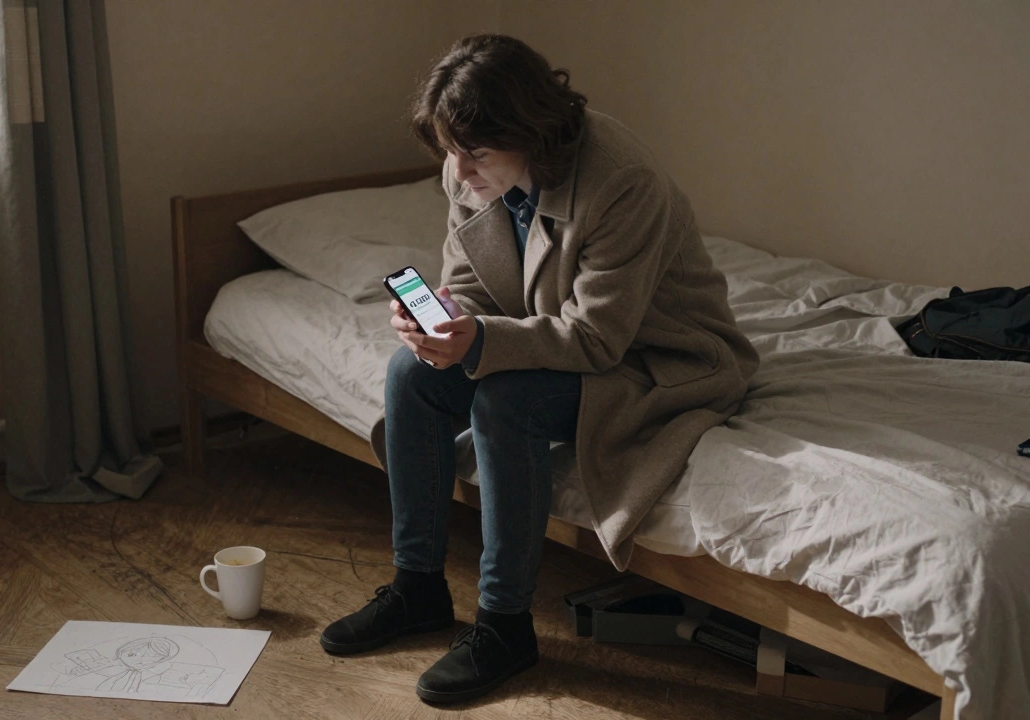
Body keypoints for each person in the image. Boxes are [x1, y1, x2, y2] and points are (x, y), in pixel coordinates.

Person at [320, 34, 759, 704]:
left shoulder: (620, 182)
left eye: (476, 153)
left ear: (530, 131)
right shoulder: (467, 166)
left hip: (655, 355)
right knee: (411, 375)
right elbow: (470, 282)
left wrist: (477, 342)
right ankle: (418, 588)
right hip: (556, 334)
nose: (458, 169)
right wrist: (439, 321)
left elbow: (597, 338)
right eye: (448, 149)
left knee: (507, 402)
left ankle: (504, 625)